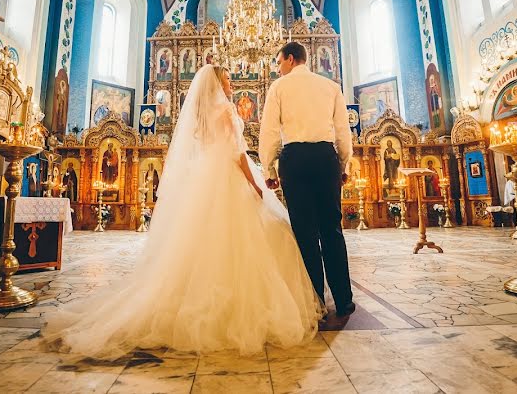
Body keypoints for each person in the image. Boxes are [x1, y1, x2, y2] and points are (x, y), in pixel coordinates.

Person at [41, 65, 323, 358]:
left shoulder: (202, 115)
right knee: (247, 237)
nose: (231, 83)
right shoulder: (226, 111)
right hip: (229, 177)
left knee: (202, 240)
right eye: (227, 79)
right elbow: (238, 153)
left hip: (206, 179)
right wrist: (255, 185)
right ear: (217, 83)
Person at [259, 41, 356, 318]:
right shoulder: (330, 87)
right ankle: (343, 299)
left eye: (279, 63)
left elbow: (269, 132)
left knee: (305, 232)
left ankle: (315, 302)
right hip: (326, 158)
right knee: (332, 230)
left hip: (295, 159)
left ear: (291, 59)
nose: (278, 69)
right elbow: (342, 132)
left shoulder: (279, 87)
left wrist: (269, 170)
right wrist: (343, 164)